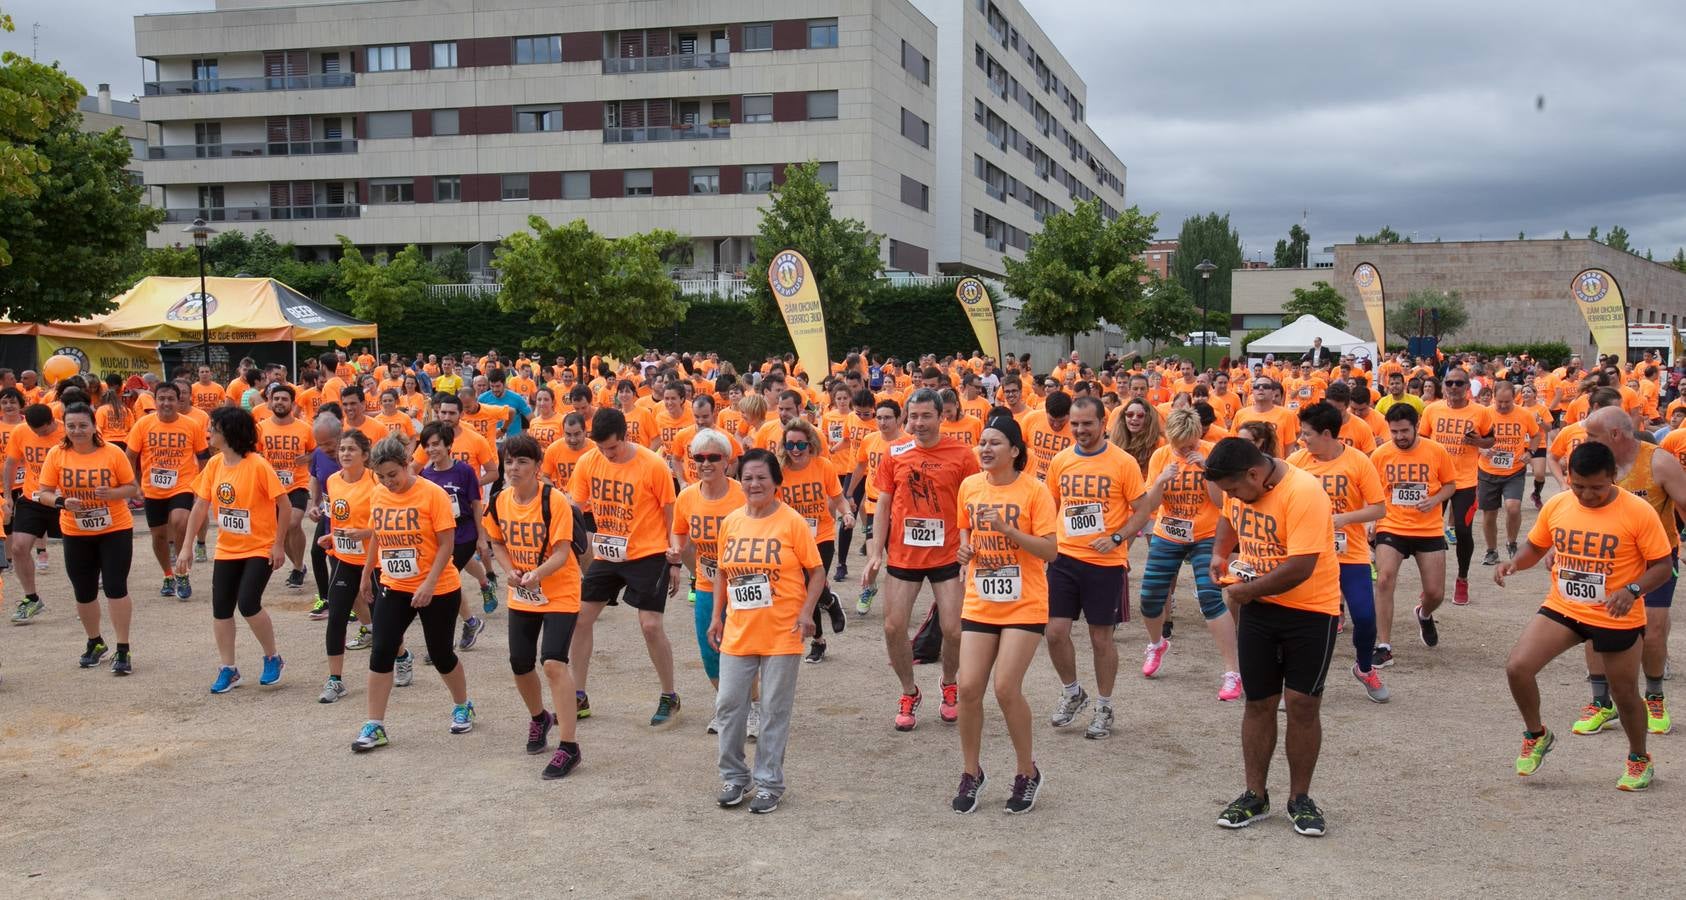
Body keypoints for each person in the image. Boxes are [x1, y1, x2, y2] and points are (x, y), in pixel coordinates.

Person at [1496, 442, 1668, 791]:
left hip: (1615, 613)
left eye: (1596, 487)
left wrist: (1633, 590)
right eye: (1579, 486)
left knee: (1624, 693)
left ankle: (1639, 758)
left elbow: (1663, 567)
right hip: (1565, 607)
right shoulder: (1559, 504)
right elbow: (1537, 546)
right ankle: (1536, 734)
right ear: (1569, 478)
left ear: (1613, 478)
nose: (1587, 495)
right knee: (1518, 667)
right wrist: (1516, 562)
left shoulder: (1638, 511)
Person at [1205, 437, 1340, 836]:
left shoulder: (1303, 492)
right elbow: (1228, 516)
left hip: (1311, 611)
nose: (1230, 497)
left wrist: (1246, 592)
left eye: (1233, 488)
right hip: (1261, 609)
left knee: (1301, 704)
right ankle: (1254, 794)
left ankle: (1301, 799)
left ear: (1254, 474)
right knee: (1258, 702)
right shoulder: (1242, 490)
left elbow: (1301, 566)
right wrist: (1219, 552)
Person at [952, 412, 1058, 814]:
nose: (985, 448)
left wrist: (1009, 530)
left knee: (1005, 687)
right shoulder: (970, 486)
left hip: (1025, 601)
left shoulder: (1035, 492)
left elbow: (1051, 550)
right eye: (982, 442)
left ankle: (1026, 771)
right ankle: (970, 771)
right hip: (981, 597)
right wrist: (964, 550)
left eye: (995, 442)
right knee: (969, 688)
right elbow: (964, 527)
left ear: (1015, 451)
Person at [709, 449, 824, 815]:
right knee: (728, 705)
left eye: (761, 477)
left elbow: (816, 572)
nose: (754, 484)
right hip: (739, 631)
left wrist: (807, 613)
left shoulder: (792, 523)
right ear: (738, 481)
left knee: (774, 709)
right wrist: (717, 617)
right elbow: (723, 573)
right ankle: (735, 776)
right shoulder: (731, 522)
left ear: (776, 482)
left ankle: (769, 782)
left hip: (781, 630)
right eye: (747, 477)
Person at [352, 435, 478, 751]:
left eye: (393, 474)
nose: (387, 481)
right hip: (394, 584)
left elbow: (447, 544)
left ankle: (463, 704)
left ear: (407, 465)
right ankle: (375, 724)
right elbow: (378, 535)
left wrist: (429, 584)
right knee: (381, 649)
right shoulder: (378, 494)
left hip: (439, 587)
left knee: (440, 654)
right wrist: (367, 573)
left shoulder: (432, 495)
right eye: (380, 476)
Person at [864, 388, 979, 731]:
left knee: (954, 629)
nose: (919, 423)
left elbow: (971, 503)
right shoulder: (894, 453)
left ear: (941, 417)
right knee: (893, 626)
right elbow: (883, 504)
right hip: (904, 553)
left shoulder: (963, 455)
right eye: (913, 416)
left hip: (947, 553)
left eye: (926, 416)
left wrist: (968, 546)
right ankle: (909, 692)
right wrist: (874, 553)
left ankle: (949, 683)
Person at [568, 407, 682, 725]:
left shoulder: (653, 465)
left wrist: (674, 559)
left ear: (626, 437)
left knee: (650, 626)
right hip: (608, 552)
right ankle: (579, 695)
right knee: (580, 619)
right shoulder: (589, 462)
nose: (608, 454)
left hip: (649, 552)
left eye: (613, 448)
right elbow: (575, 507)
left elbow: (672, 515)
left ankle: (669, 695)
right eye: (602, 448)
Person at [1575, 407, 1684, 737]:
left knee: (1653, 627)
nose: (1585, 441)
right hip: (1602, 556)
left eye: (1592, 435)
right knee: (1594, 625)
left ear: (1615, 435)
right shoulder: (1589, 461)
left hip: (1655, 558)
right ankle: (1601, 701)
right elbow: (1574, 504)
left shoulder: (1658, 462)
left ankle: (1654, 697)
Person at [1042, 396, 1146, 738]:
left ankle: (1104, 705)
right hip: (1064, 560)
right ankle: (1073, 692)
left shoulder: (1123, 462)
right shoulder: (1061, 461)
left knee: (1101, 638)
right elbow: (1049, 506)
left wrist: (1117, 539)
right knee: (1054, 632)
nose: (1080, 430)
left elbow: (1143, 511)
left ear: (1103, 423)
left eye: (1087, 423)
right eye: (1075, 423)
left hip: (1105, 563)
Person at [483, 434, 584, 779]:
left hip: (559, 589)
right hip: (523, 593)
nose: (514, 468)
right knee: (520, 663)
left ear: (537, 468)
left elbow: (562, 551)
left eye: (522, 461)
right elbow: (496, 541)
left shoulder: (553, 501)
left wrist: (537, 574)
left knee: (554, 663)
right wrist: (509, 569)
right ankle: (540, 717)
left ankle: (569, 746)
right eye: (509, 461)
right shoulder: (498, 501)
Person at [177, 406, 289, 694]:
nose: (208, 432)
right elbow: (200, 505)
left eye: (213, 427)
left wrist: (278, 544)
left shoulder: (258, 465)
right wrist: (187, 546)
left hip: (258, 547)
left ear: (229, 431)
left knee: (248, 603)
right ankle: (229, 668)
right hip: (227, 548)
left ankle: (272, 657)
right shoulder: (214, 465)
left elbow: (284, 505)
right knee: (221, 609)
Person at [1132, 407, 1239, 700]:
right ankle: (1156, 644)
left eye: (1191, 443)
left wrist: (1209, 472)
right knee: (1150, 596)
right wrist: (1160, 481)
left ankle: (1232, 671)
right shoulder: (1160, 457)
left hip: (1205, 534)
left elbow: (1220, 503)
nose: (1186, 450)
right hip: (1169, 532)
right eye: (1180, 445)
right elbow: (1149, 505)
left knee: (1210, 596)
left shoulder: (1210, 453)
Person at [1288, 402, 1390, 701]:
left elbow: (1378, 507)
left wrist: (1344, 518)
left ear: (1328, 434)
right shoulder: (1296, 462)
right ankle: (1297, 681)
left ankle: (1364, 667)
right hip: (1307, 554)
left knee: (1365, 617)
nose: (1302, 439)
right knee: (1306, 622)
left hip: (1350, 553)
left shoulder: (1359, 462)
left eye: (1307, 434)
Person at [36, 404, 140, 673]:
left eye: (83, 425)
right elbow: (43, 492)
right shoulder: (57, 455)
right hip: (75, 530)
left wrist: (113, 494)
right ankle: (95, 642)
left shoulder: (112, 453)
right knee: (84, 591)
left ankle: (123, 649)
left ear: (95, 426)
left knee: (116, 587)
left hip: (114, 529)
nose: (77, 431)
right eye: (71, 426)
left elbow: (132, 488)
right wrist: (61, 501)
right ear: (65, 428)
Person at [671, 428, 748, 734]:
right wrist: (677, 549)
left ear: (727, 461)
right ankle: (727, 705)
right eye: (699, 458)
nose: (705, 463)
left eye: (713, 457)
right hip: (706, 582)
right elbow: (679, 529)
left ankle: (751, 707)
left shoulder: (743, 493)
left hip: (744, 584)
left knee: (743, 650)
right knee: (710, 650)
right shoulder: (688, 496)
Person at [1369, 404, 1458, 668]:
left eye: (1404, 431)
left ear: (1417, 425)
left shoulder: (1436, 451)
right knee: (1384, 580)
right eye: (1394, 431)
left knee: (1435, 592)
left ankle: (1424, 612)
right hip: (1391, 525)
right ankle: (1383, 645)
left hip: (1427, 528)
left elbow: (1451, 484)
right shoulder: (1381, 454)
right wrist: (1372, 521)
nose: (1399, 437)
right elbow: (1372, 491)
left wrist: (1435, 500)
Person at [775, 418, 852, 662]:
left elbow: (838, 498)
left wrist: (847, 513)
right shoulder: (779, 471)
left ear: (810, 444)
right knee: (804, 589)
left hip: (822, 535)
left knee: (811, 584)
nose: (795, 450)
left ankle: (825, 608)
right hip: (792, 538)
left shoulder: (823, 466)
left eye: (800, 445)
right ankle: (822, 629)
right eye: (790, 446)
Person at [126, 382, 208, 602]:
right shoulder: (143, 425)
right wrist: (134, 484)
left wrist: (202, 487)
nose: (166, 403)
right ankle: (168, 575)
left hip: (183, 484)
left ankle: (182, 572)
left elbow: (203, 458)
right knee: (159, 536)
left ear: (179, 400)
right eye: (161, 398)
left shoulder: (191, 425)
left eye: (171, 398)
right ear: (155, 400)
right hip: (153, 488)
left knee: (181, 521)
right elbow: (130, 456)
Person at [1421, 367, 1496, 605]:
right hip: (1436, 480)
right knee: (1430, 533)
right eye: (1450, 383)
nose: (1454, 388)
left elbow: (1491, 439)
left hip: (1464, 481)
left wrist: (1478, 441)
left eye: (1459, 383)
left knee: (1463, 532)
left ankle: (1462, 579)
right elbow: (1422, 440)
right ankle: (1431, 586)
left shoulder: (1480, 412)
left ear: (1467, 387)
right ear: (1443, 385)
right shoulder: (1432, 409)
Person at [416, 421, 495, 646]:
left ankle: (443, 640)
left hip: (464, 534)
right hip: (439, 537)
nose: (431, 450)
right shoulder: (425, 475)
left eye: (435, 444)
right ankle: (470, 622)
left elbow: (476, 503)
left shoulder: (464, 471)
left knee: (442, 580)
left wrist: (481, 537)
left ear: (448, 444)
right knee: (446, 579)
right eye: (426, 446)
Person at [315, 429, 376, 703]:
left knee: (383, 624)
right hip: (345, 559)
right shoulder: (331, 480)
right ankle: (335, 680)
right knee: (337, 616)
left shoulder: (376, 481)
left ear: (365, 455)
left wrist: (364, 534)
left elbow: (385, 523)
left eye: (351, 449)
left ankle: (401, 657)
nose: (345, 454)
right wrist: (332, 536)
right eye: (342, 449)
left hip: (375, 562)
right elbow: (339, 518)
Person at [5, 404, 64, 622]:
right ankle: (31, 598)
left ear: (52, 421)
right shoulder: (20, 431)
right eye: (34, 430)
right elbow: (11, 463)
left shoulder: (68, 431)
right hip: (33, 497)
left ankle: (85, 597)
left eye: (43, 430)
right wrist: (8, 496)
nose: (39, 434)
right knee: (19, 547)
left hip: (63, 500)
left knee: (81, 550)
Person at [256, 384, 314, 593]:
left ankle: (298, 567)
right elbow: (253, 454)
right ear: (270, 402)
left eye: (284, 399)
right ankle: (298, 565)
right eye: (276, 399)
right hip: (271, 486)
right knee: (280, 531)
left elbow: (316, 452)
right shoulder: (261, 428)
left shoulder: (304, 428)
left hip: (296, 484)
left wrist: (307, 457)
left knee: (292, 523)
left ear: (292, 403)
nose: (280, 402)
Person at [1478, 382, 1542, 565]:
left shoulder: (1524, 414)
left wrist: (1530, 453)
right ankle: (1491, 551)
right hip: (1488, 471)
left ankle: (1511, 542)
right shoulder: (1485, 414)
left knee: (1513, 507)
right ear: (1493, 397)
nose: (1504, 406)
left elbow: (1536, 435)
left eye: (1508, 402)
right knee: (1489, 513)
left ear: (1515, 397)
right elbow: (1473, 439)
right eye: (1500, 402)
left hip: (1514, 470)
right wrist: (1481, 450)